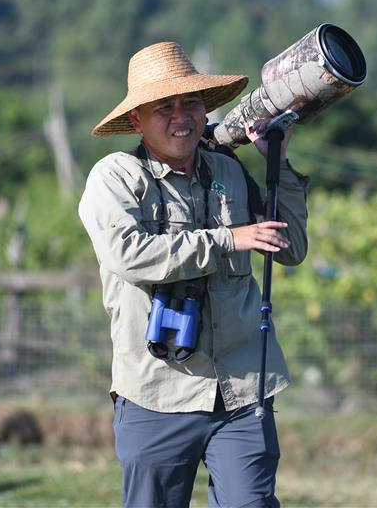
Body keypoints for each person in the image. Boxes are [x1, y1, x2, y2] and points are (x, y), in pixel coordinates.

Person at [78, 41, 309, 507]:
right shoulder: (116, 177)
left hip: (241, 390)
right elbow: (129, 254)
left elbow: (292, 248)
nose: (181, 116)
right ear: (137, 120)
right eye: (164, 107)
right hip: (155, 391)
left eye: (192, 103)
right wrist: (228, 239)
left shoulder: (229, 168)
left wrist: (276, 165)